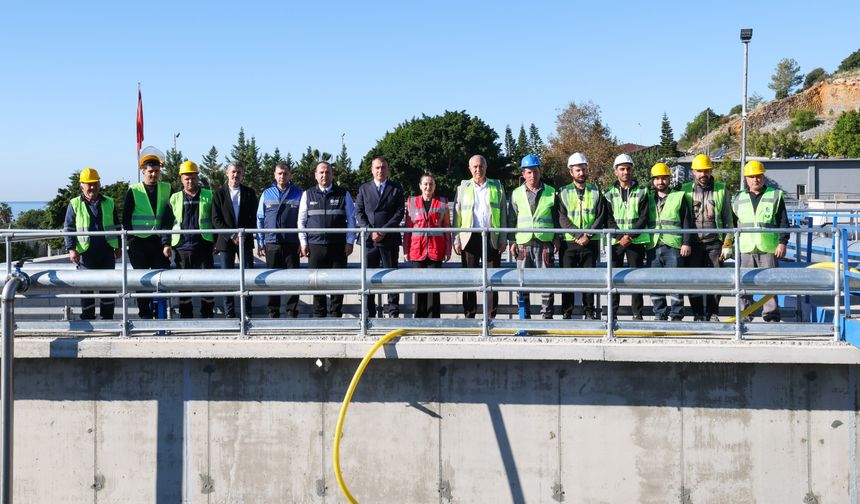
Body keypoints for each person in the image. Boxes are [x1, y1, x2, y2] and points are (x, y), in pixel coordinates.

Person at [732, 160, 789, 322]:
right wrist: (728, 245)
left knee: (769, 283)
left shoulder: (774, 195)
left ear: (763, 176)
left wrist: (782, 242)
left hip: (768, 247)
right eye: (751, 177)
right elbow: (732, 224)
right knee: (744, 283)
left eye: (758, 176)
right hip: (746, 247)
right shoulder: (737, 198)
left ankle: (771, 315)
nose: (755, 179)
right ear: (746, 179)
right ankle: (745, 314)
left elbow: (783, 221)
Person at [558, 152, 613, 320]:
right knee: (567, 281)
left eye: (583, 169)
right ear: (571, 172)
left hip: (590, 242)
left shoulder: (596, 191)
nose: (581, 173)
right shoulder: (563, 192)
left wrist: (587, 234)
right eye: (577, 170)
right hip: (570, 243)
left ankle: (589, 312)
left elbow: (600, 216)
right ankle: (567, 313)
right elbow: (561, 217)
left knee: (589, 281)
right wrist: (577, 234)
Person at [298, 162, 356, 318]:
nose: (324, 175)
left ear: (332, 174)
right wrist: (303, 242)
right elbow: (301, 221)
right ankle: (319, 315)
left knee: (339, 283)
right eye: (321, 172)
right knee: (317, 284)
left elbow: (351, 219)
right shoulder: (307, 194)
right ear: (316, 175)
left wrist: (350, 241)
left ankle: (336, 314)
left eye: (327, 172)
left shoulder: (343, 194)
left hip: (338, 246)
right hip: (315, 246)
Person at [453, 155, 508, 319]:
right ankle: (470, 315)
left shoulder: (497, 186)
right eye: (475, 167)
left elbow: (503, 213)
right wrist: (456, 239)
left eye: (481, 166)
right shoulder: (462, 187)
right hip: (469, 238)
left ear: (486, 167)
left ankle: (491, 316)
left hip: (492, 237)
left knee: (492, 279)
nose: (478, 169)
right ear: (470, 169)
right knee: (469, 279)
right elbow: (457, 217)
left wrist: (503, 239)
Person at [682, 153, 735, 321]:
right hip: (694, 243)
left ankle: (712, 313)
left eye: (706, 171)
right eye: (699, 171)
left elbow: (728, 217)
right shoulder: (684, 190)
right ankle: (697, 314)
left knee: (717, 279)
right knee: (693, 280)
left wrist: (728, 242)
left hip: (715, 243)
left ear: (711, 170)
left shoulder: (721, 189)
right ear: (693, 172)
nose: (703, 174)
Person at [64, 168, 120, 320]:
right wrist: (71, 249)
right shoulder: (75, 204)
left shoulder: (109, 202)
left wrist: (118, 246)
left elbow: (116, 226)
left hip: (107, 250)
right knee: (86, 288)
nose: (92, 187)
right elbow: (68, 228)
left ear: (99, 184)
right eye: (88, 184)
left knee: (108, 287)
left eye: (95, 183)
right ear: (82, 186)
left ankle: (107, 317)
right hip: (86, 252)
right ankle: (87, 317)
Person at [161, 161, 215, 318]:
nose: (190, 181)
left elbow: (215, 220)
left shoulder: (209, 195)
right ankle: (186, 316)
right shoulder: (175, 198)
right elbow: (166, 224)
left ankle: (207, 315)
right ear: (181, 179)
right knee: (183, 286)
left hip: (204, 245)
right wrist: (166, 244)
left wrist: (216, 242)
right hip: (182, 247)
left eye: (193, 177)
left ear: (198, 177)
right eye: (186, 178)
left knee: (207, 284)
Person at [122, 146, 172, 319]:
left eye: (157, 171)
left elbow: (168, 215)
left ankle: (161, 315)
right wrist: (129, 241)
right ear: (143, 171)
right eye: (150, 171)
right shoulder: (134, 190)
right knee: (142, 281)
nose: (154, 175)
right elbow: (126, 217)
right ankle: (144, 315)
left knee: (161, 279)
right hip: (139, 243)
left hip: (158, 242)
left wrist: (167, 242)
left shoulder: (166, 188)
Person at [509, 154, 559, 319]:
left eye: (535, 171)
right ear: (523, 174)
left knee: (547, 281)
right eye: (529, 172)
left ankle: (547, 315)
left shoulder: (551, 192)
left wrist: (556, 238)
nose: (532, 175)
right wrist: (512, 241)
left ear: (540, 172)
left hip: (544, 243)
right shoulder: (516, 194)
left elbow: (556, 218)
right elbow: (512, 219)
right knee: (522, 282)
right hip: (523, 243)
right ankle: (524, 315)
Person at [354, 156, 405, 318]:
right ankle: (369, 312)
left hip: (389, 239)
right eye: (377, 168)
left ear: (388, 170)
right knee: (369, 277)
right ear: (372, 170)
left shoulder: (396, 188)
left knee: (391, 277)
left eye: (383, 167)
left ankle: (393, 311)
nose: (380, 170)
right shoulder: (364, 188)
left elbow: (399, 213)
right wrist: (370, 230)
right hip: (369, 240)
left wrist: (383, 231)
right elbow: (359, 212)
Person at [604, 153, 650, 320]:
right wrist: (619, 237)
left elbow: (644, 217)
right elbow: (607, 217)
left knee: (636, 279)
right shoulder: (608, 193)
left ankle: (637, 314)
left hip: (636, 241)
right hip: (616, 241)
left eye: (628, 169)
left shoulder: (643, 191)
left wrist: (629, 236)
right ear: (616, 171)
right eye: (622, 169)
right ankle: (612, 314)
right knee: (614, 278)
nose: (626, 172)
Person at [257, 162, 303, 318]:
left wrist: (303, 242)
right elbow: (260, 218)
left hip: (292, 243)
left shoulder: (298, 193)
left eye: (285, 173)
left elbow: (304, 219)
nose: (282, 176)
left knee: (293, 280)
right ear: (274, 175)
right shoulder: (266, 193)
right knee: (272, 280)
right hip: (272, 243)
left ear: (290, 175)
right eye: (279, 173)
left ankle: (291, 311)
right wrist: (261, 241)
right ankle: (273, 311)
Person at [212, 161, 258, 318]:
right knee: (227, 279)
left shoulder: (250, 193)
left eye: (239, 172)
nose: (236, 175)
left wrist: (243, 235)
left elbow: (254, 217)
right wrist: (231, 235)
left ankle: (247, 312)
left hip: (245, 241)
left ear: (242, 174)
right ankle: (229, 313)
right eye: (233, 172)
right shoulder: (219, 194)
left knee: (248, 277)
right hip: (226, 242)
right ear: (227, 173)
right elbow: (216, 219)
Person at [647, 163, 692, 321]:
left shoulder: (679, 196)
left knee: (675, 282)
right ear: (653, 181)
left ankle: (677, 314)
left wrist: (686, 242)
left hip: (673, 245)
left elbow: (687, 221)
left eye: (664, 178)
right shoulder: (648, 198)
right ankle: (659, 313)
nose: (661, 182)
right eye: (657, 178)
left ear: (669, 179)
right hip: (653, 245)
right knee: (654, 283)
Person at [403, 173, 452, 318]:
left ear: (434, 186)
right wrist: (406, 250)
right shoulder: (412, 202)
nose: (428, 187)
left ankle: (434, 321)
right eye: (425, 184)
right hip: (417, 251)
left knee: (434, 288)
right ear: (420, 186)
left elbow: (447, 229)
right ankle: (419, 320)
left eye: (431, 184)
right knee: (419, 288)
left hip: (436, 251)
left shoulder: (442, 203)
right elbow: (407, 229)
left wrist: (448, 250)